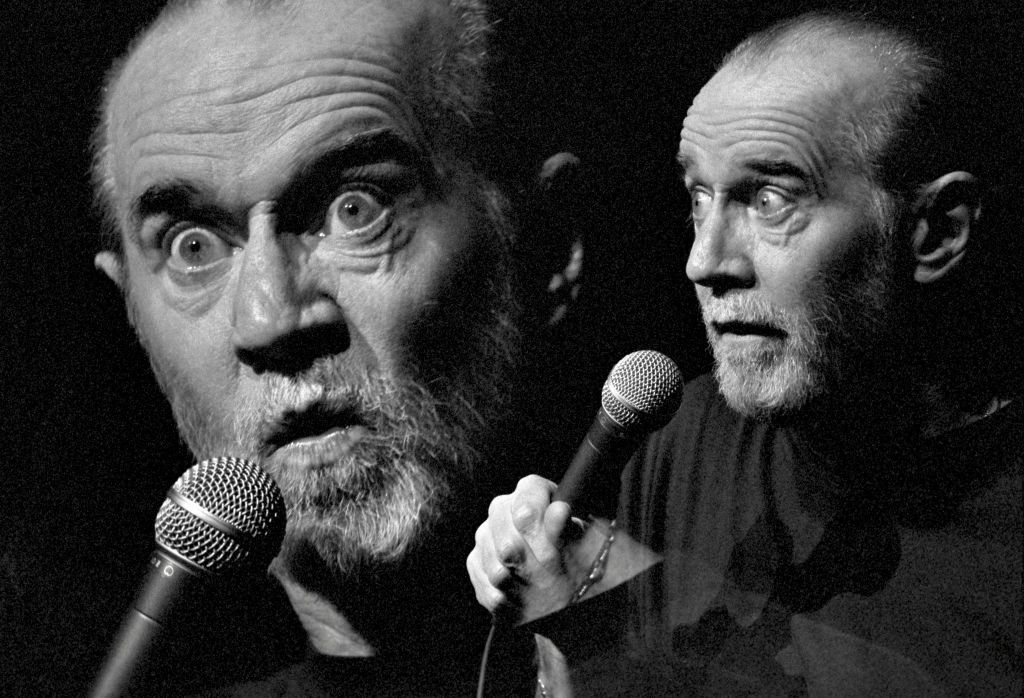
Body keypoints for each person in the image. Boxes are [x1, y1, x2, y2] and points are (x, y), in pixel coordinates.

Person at [468, 11, 1022, 696]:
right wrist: (569, 612)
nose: (704, 262)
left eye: (769, 199)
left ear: (936, 231)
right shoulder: (679, 439)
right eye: (699, 198)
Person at [88, 0, 617, 693]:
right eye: (194, 247)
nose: (269, 321)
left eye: (355, 208)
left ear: (545, 245)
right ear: (130, 312)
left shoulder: (734, 632)